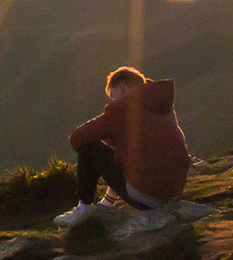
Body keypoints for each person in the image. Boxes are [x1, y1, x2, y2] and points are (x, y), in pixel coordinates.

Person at [61, 66, 193, 224]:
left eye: (112, 94)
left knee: (88, 147)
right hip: (172, 192)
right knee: (126, 155)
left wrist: (109, 143)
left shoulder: (123, 107)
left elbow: (77, 138)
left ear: (123, 89)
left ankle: (84, 209)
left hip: (147, 197)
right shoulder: (160, 104)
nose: (112, 100)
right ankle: (107, 203)